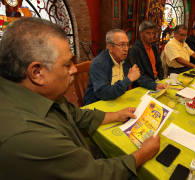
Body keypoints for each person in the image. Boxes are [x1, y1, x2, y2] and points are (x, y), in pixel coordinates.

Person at [0, 17, 160, 180]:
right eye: (67, 64)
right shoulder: (30, 136)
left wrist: (116, 115)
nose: (75, 69)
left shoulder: (43, 94)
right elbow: (96, 175)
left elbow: (75, 114)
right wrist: (142, 153)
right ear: (37, 73)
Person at [83, 29, 160, 105]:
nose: (126, 49)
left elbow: (137, 76)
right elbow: (104, 93)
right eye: (122, 45)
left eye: (127, 44)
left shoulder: (126, 58)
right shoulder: (99, 63)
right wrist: (128, 79)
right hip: (97, 105)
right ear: (110, 47)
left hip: (117, 99)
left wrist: (155, 85)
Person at [129, 21, 167, 90]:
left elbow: (159, 65)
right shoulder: (135, 50)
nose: (151, 36)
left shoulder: (153, 46)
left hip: (157, 81)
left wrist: (161, 79)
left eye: (153, 33)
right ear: (141, 33)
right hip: (144, 85)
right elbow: (139, 75)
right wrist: (154, 85)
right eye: (148, 33)